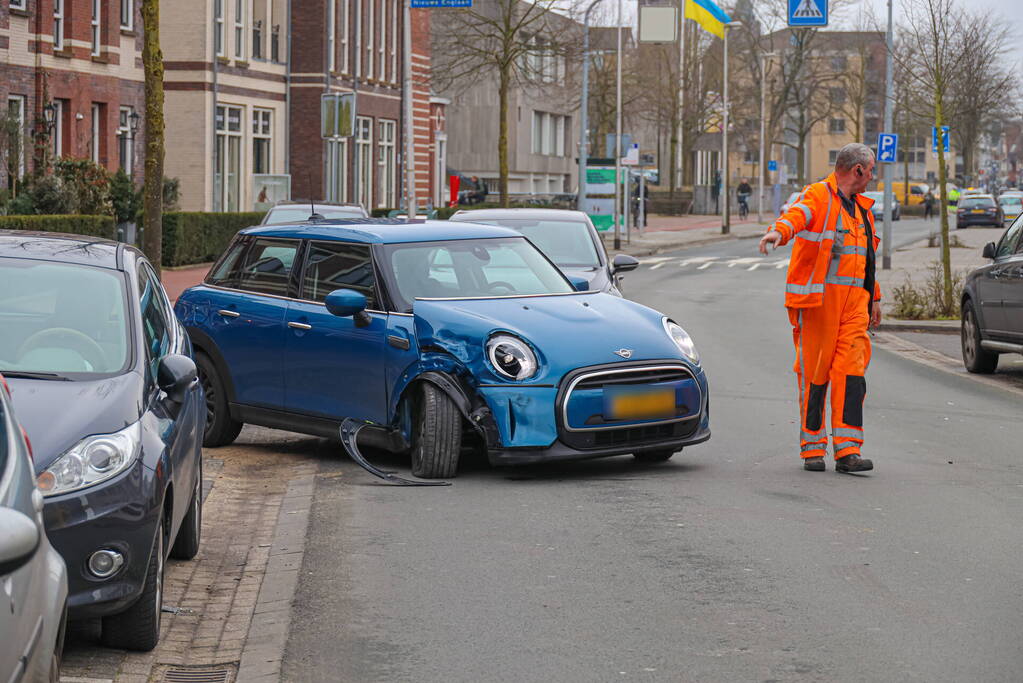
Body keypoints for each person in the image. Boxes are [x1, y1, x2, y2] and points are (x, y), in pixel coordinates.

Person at [758, 143, 882, 474]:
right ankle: (812, 448)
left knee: (851, 372)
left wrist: (875, 298)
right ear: (857, 170)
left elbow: (866, 259)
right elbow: (797, 215)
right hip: (819, 303)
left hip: (855, 305)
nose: (872, 177)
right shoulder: (819, 195)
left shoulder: (863, 210)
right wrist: (778, 232)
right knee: (815, 375)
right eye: (871, 171)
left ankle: (848, 449)